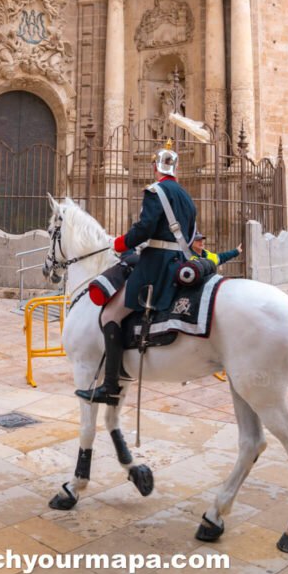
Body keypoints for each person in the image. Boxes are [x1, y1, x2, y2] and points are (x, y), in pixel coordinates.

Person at [75, 141, 196, 406]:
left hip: (156, 266)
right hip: (179, 263)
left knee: (110, 314)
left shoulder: (155, 192)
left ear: (155, 167)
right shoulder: (187, 197)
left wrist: (121, 243)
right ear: (176, 169)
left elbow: (146, 228)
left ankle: (110, 385)